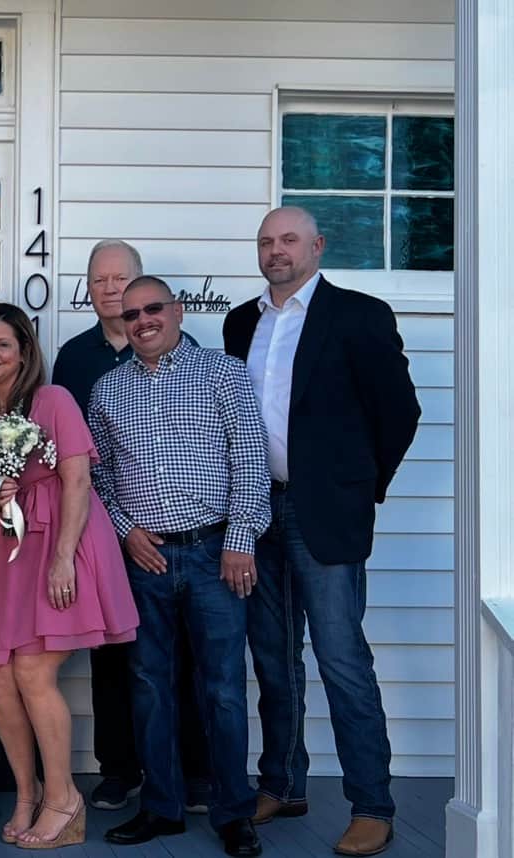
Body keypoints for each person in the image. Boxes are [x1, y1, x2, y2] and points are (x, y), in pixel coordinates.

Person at [223, 206, 420, 857]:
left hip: (324, 516)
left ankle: (372, 804)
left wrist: (360, 489)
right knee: (273, 660)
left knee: (341, 661)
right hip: (257, 512)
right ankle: (282, 783)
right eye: (265, 241)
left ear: (316, 246)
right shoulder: (240, 321)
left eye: (287, 240)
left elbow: (398, 411)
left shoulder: (357, 314)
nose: (275, 251)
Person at [90, 275, 268, 857]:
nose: (143, 319)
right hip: (147, 560)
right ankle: (161, 807)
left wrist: (240, 540)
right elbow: (99, 479)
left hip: (217, 554)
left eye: (154, 308)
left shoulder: (223, 373)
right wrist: (125, 532)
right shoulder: (108, 391)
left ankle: (233, 812)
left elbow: (250, 460)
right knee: (148, 685)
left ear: (178, 310)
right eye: (132, 311)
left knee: (221, 689)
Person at [0, 304, 140, 849]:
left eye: (2, 343)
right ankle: (27, 793)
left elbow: (78, 478)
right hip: (12, 549)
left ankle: (64, 799)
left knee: (34, 674)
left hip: (62, 542)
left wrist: (64, 557)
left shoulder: (52, 399)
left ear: (24, 350)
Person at [51, 239, 209, 814]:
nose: (111, 290)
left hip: (178, 538)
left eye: (121, 279)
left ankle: (194, 773)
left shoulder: (183, 351)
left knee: (183, 656)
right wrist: (118, 527)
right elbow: (71, 455)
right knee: (113, 655)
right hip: (105, 530)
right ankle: (119, 770)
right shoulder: (74, 357)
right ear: (88, 291)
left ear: (146, 288)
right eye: (99, 281)